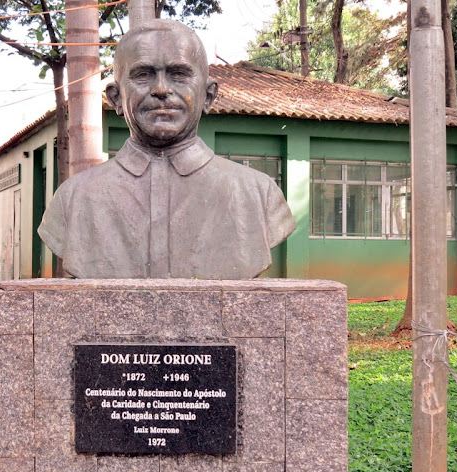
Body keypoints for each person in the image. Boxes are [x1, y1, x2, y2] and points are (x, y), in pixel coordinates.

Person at [37, 19, 295, 279]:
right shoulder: (74, 198)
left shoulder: (258, 194)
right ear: (116, 97)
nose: (161, 89)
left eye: (179, 74)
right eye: (143, 75)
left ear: (208, 96)